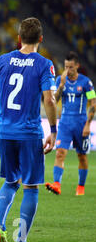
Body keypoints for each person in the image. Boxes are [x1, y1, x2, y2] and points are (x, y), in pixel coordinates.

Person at [0, 17, 57, 242]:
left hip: (5, 131)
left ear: (18, 38)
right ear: (41, 39)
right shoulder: (44, 64)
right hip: (29, 132)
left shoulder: (3, 60)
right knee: (31, 187)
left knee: (10, 181)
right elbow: (49, 99)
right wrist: (54, 130)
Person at [45, 52, 95, 196]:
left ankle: (81, 187)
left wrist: (87, 125)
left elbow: (93, 103)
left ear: (77, 66)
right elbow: (53, 100)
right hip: (65, 123)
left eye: (71, 67)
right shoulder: (60, 80)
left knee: (82, 156)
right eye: (66, 67)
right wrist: (61, 85)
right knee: (60, 153)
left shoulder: (86, 82)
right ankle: (57, 184)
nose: (68, 70)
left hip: (80, 124)